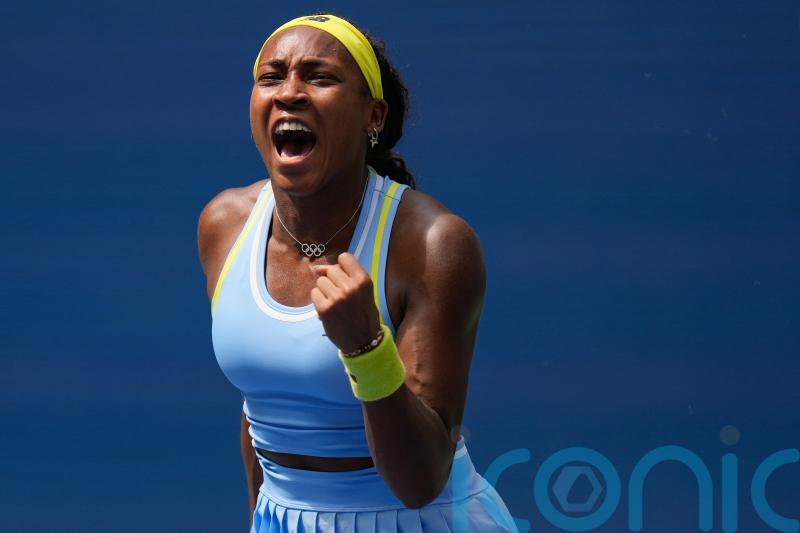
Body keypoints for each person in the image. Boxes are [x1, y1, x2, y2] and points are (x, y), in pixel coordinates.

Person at [197, 13, 519, 533]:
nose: (290, 93)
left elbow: (420, 481)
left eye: (319, 77)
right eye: (272, 76)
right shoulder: (224, 224)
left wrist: (366, 348)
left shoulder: (435, 245)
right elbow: (261, 407)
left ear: (373, 116)